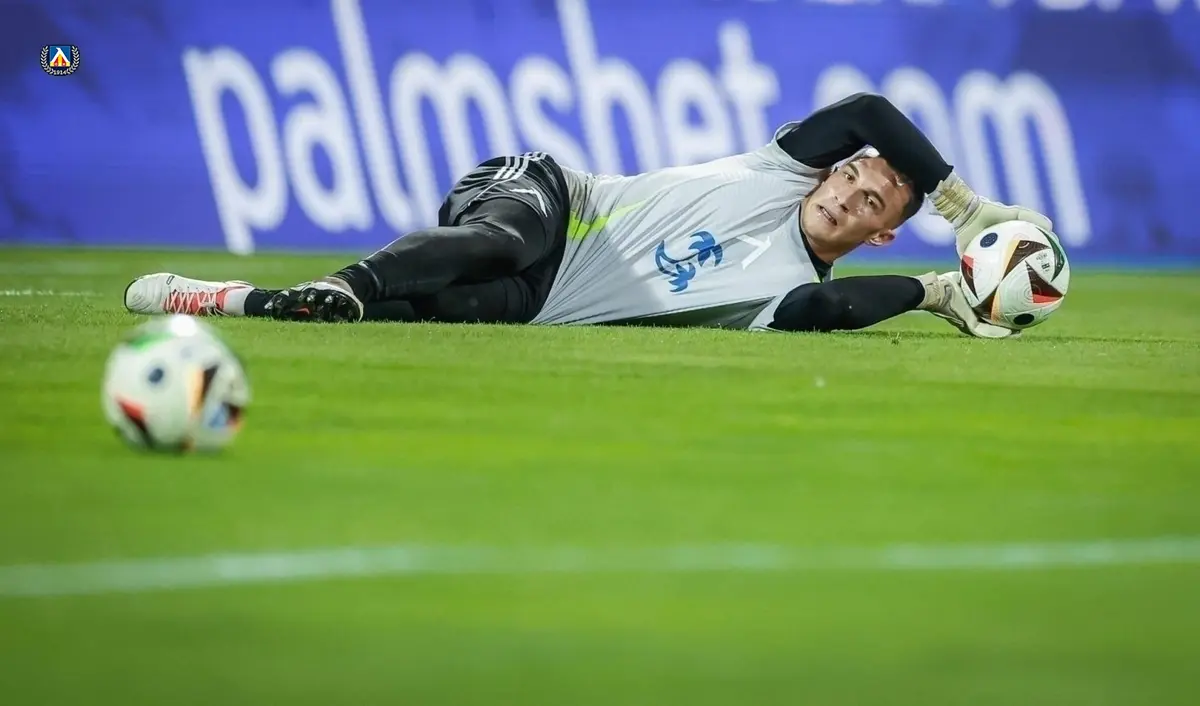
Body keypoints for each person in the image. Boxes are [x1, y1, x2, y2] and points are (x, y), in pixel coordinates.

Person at [124, 93, 1052, 338]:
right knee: (495, 243)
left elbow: (833, 309)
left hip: (546, 302)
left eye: (871, 200)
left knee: (440, 312)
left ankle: (225, 300)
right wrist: (961, 206)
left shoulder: (776, 297)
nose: (846, 189)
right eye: (848, 175)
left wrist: (937, 291)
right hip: (554, 200)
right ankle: (347, 278)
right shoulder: (779, 171)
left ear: (880, 233)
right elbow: (868, 110)